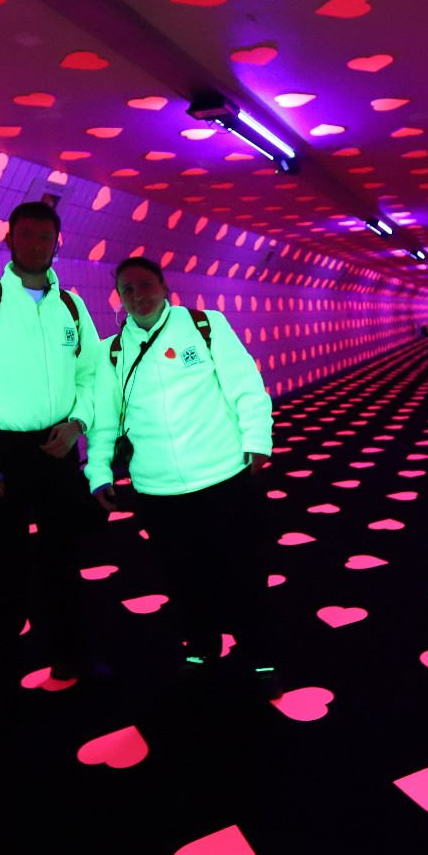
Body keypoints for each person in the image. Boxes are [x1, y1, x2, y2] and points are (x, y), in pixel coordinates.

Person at [85, 256, 279, 697]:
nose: (138, 296)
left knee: (244, 571)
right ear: (119, 297)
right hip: (158, 490)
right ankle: (202, 651)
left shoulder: (205, 326)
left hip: (223, 476)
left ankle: (260, 658)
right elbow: (104, 421)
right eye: (128, 289)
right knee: (184, 576)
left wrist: (257, 440)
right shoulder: (111, 351)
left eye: (145, 285)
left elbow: (246, 387)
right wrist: (98, 471)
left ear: (164, 287)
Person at [0, 200, 102, 687]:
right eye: (26, 234)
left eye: (45, 236)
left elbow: (92, 375)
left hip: (58, 448)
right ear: (9, 239)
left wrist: (78, 424)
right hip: (0, 454)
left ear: (57, 244)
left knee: (63, 560)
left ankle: (71, 659)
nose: (35, 244)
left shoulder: (72, 306)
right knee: (2, 569)